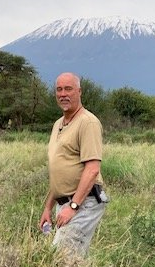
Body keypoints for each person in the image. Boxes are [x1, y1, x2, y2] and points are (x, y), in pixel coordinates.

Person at [40, 72, 108, 256]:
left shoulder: (88, 122)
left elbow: (92, 169)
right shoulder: (58, 124)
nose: (63, 94)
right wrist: (48, 207)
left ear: (79, 92)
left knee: (61, 258)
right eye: (59, 89)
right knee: (70, 261)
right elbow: (59, 172)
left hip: (83, 203)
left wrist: (73, 207)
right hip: (63, 203)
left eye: (68, 89)